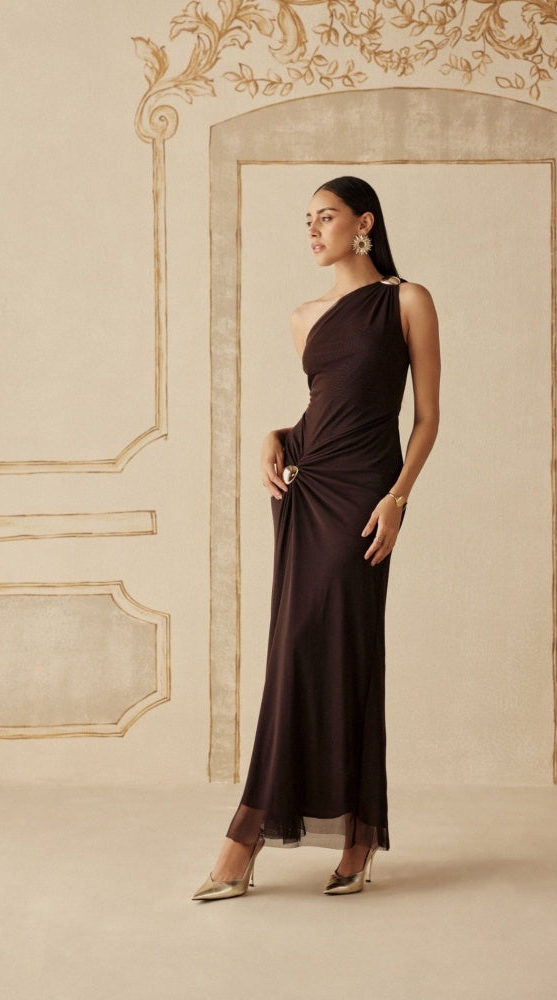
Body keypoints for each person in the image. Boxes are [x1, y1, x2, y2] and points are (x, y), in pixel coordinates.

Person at [193, 176, 441, 900]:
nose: (312, 230)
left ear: (364, 223)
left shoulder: (407, 301)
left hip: (366, 496)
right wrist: (275, 433)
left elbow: (426, 417)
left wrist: (398, 498)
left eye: (325, 217)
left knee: (346, 651)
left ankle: (283, 840)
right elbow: (323, 410)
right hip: (306, 490)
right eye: (306, 220)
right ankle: (307, 840)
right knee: (293, 650)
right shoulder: (304, 318)